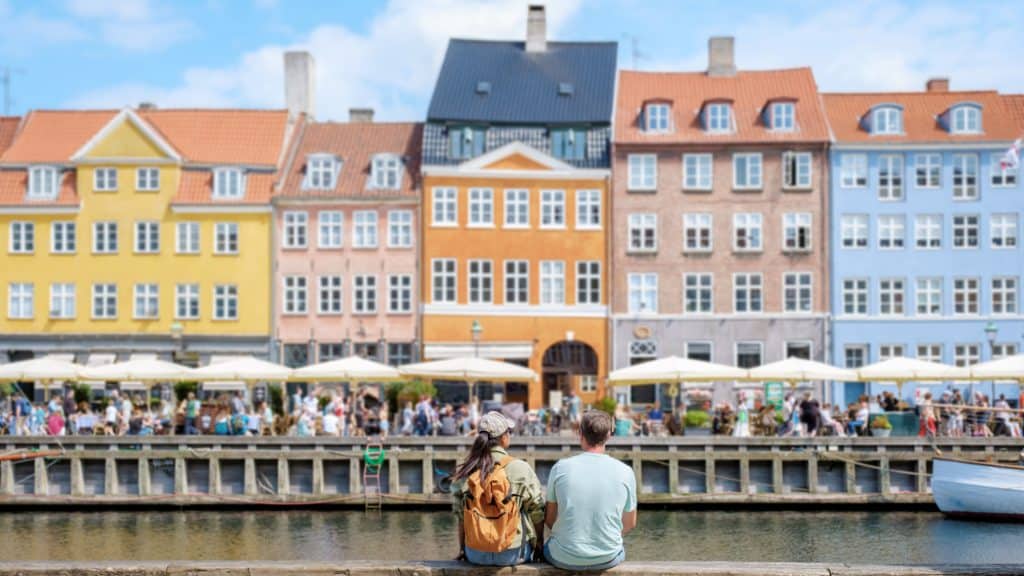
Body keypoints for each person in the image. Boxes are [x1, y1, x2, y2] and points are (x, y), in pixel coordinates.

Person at [544, 410, 637, 571]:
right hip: (608, 556)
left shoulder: (560, 468)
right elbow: (630, 524)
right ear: (608, 435)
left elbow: (550, 519)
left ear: (580, 433)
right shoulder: (626, 472)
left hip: (563, 556)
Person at [451, 411, 544, 566]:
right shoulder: (521, 468)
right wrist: (539, 543)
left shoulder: (467, 470)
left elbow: (461, 517)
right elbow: (537, 511)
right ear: (503, 437)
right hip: (513, 553)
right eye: (509, 431)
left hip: (475, 553)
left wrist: (462, 549)